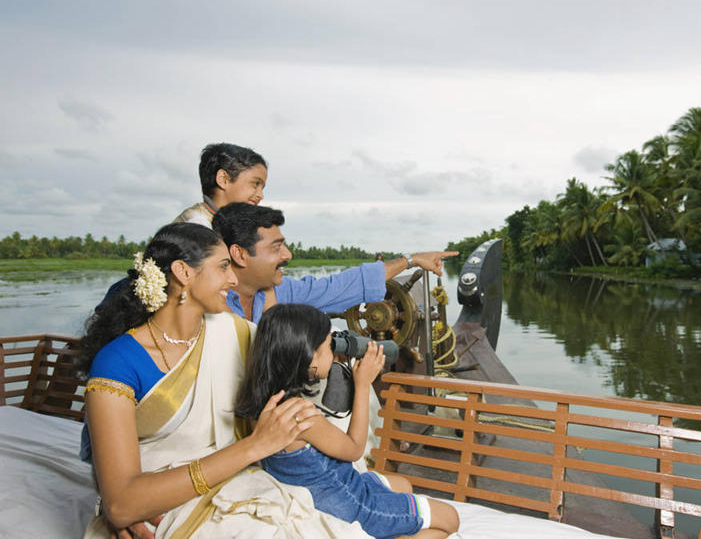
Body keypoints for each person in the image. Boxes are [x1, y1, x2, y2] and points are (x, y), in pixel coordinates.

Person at [80, 223, 370, 539]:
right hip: (166, 504)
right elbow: (122, 504)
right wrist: (254, 447)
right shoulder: (117, 362)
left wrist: (340, 359)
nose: (233, 279)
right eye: (222, 267)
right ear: (183, 273)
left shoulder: (234, 333)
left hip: (239, 482)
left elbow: (300, 364)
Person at [235, 304, 460, 539]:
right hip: (349, 505)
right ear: (310, 357)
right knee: (450, 518)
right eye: (327, 347)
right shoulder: (300, 414)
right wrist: (363, 384)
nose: (332, 353)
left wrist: (332, 363)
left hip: (328, 489)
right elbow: (353, 449)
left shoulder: (264, 405)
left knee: (403, 484)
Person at [211, 202, 458, 322]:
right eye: (277, 247)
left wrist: (411, 260)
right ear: (240, 254)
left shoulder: (280, 291)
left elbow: (337, 287)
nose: (288, 255)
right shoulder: (205, 307)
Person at [173, 143, 268, 227]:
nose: (261, 195)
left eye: (262, 188)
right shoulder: (198, 227)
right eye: (255, 184)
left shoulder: (223, 224)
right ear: (223, 179)